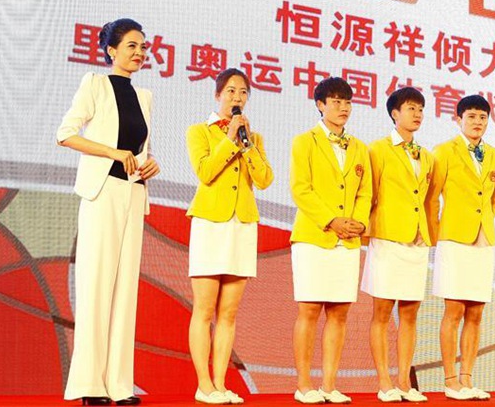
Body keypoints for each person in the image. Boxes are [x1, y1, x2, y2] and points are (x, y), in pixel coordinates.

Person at [57, 18, 160, 406]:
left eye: (143, 47)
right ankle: (89, 385)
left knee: (125, 291)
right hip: (101, 193)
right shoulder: (95, 84)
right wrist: (112, 153)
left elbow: (140, 148)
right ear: (111, 50)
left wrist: (149, 164)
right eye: (132, 46)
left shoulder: (144, 96)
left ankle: (119, 384)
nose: (139, 53)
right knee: (96, 286)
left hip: (132, 194)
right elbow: (66, 134)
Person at [186, 68, 274, 405]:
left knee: (229, 313)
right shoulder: (200, 131)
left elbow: (264, 179)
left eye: (243, 93)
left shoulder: (254, 137)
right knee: (205, 309)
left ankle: (221, 384)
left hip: (242, 224)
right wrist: (229, 138)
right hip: (210, 223)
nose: (237, 98)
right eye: (231, 91)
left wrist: (246, 144)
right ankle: (203, 384)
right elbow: (205, 171)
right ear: (218, 95)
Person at [289, 77, 372, 405]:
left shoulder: (359, 147)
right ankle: (304, 385)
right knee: (309, 310)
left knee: (339, 312)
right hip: (314, 237)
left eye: (347, 102)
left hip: (348, 241)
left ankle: (329, 385)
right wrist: (331, 221)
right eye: (336, 101)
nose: (343, 108)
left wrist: (359, 222)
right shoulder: (304, 141)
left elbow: (365, 192)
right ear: (320, 105)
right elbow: (301, 189)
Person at [425, 95, 495, 401]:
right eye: (471, 116)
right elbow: (432, 198)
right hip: (454, 239)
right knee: (454, 310)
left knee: (476, 312)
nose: (477, 122)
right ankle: (450, 380)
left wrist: (480, 223)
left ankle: (468, 378)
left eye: (482, 117)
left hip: (483, 240)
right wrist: (438, 233)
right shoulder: (444, 151)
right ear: (458, 119)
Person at [362, 87, 433, 403]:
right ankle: (384, 382)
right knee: (381, 313)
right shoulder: (377, 149)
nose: (417, 114)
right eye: (410, 108)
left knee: (410, 314)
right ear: (394, 113)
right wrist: (367, 232)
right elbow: (368, 193)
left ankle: (405, 381)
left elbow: (428, 201)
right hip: (388, 238)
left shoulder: (426, 155)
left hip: (417, 242)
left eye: (420, 109)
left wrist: (428, 234)